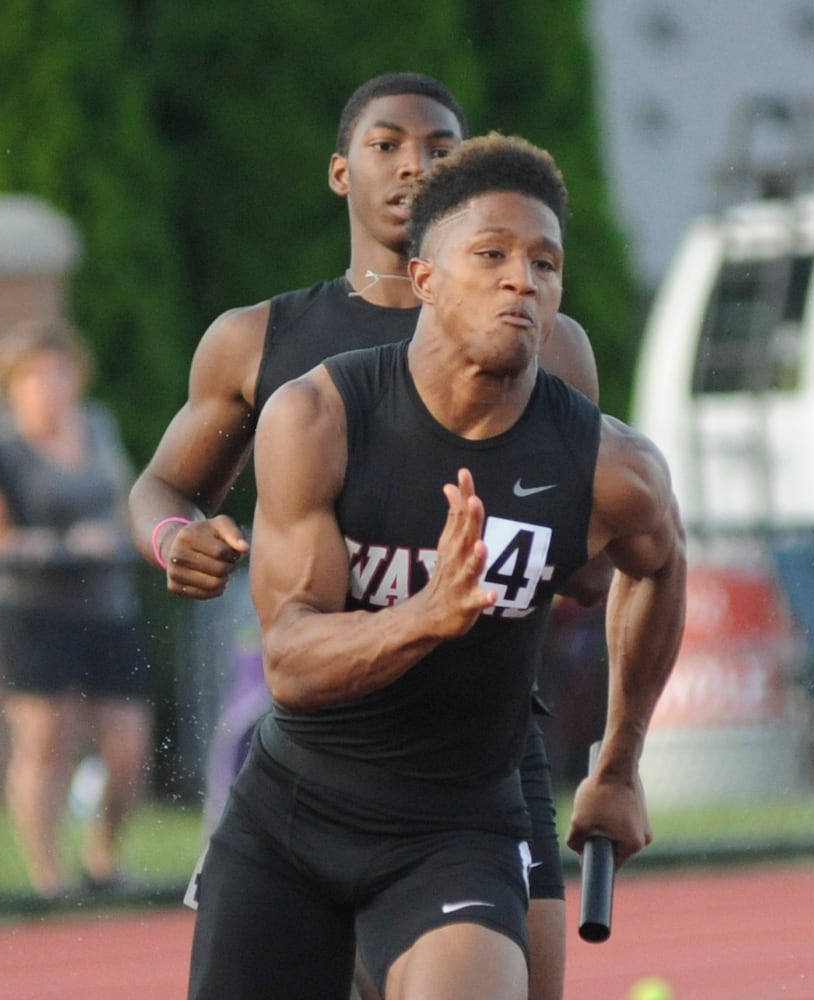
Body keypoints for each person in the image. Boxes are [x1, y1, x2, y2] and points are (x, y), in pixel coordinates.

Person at [129, 72, 602, 1000]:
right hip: (329, 745)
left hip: (486, 750)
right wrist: (174, 538)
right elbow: (162, 485)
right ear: (341, 172)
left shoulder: (546, 341)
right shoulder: (263, 340)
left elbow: (588, 528)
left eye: (439, 149)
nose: (414, 165)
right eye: (387, 145)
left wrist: (616, 744)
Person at [0, 319, 153, 897]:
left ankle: (103, 861)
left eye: (59, 372)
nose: (48, 386)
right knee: (45, 738)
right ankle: (47, 880)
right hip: (30, 608)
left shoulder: (98, 429)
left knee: (127, 743)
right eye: (34, 375)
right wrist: (55, 547)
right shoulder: (0, 448)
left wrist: (115, 536)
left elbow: (130, 503)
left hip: (105, 603)